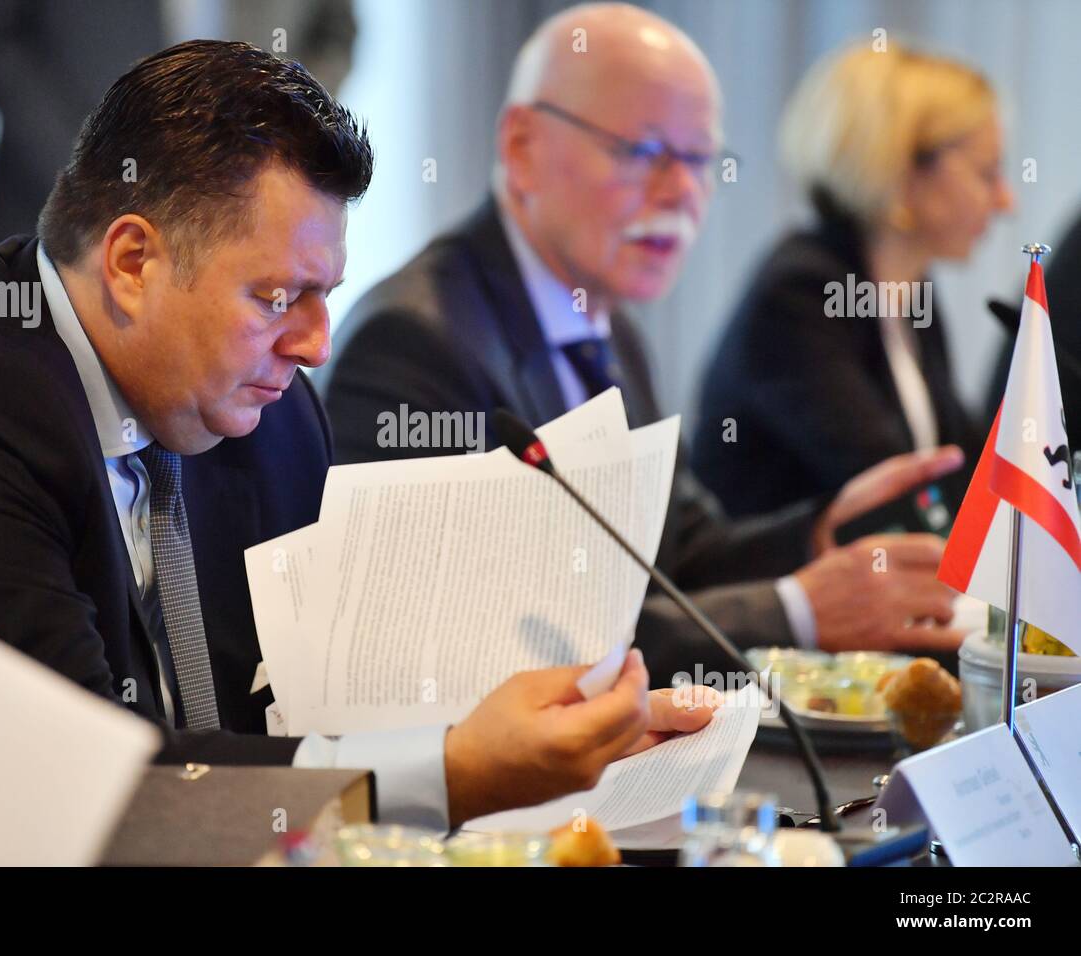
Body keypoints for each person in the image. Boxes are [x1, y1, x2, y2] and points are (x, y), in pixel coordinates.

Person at [0, 40, 718, 831]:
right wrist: (458, 771)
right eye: (277, 297)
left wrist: (558, 746)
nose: (313, 345)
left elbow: (303, 719)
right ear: (134, 262)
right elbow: (92, 804)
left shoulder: (258, 412)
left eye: (324, 296)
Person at [320, 4, 966, 686]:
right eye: (644, 152)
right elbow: (495, 641)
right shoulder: (415, 344)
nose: (681, 193)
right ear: (522, 146)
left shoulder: (610, 328)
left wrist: (817, 535)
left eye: (699, 160)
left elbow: (674, 552)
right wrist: (795, 613)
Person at [694, 41, 1009, 518]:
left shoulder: (910, 287)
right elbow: (895, 488)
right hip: (762, 588)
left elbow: (961, 466)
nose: (1006, 201)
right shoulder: (801, 294)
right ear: (903, 170)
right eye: (987, 174)